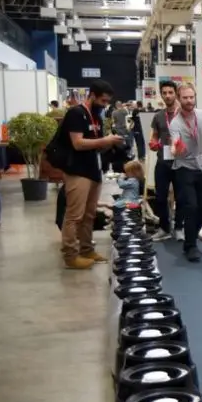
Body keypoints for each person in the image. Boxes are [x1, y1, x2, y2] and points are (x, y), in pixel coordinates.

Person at [58, 79, 121, 269]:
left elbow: (96, 143)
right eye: (103, 101)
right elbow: (77, 143)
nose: (105, 105)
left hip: (93, 169)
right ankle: (70, 255)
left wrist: (111, 143)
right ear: (92, 95)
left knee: (89, 214)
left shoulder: (96, 117)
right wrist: (105, 140)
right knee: (74, 215)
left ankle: (86, 249)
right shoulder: (76, 114)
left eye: (107, 102)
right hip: (77, 171)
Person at [169, 84, 202, 262]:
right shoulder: (175, 123)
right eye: (185, 98)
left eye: (191, 97)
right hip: (184, 169)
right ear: (179, 99)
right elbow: (174, 144)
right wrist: (176, 149)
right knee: (191, 207)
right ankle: (190, 245)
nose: (189, 101)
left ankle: (191, 236)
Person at [148, 81, 183, 242]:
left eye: (170, 92)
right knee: (160, 197)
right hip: (163, 161)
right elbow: (154, 135)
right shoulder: (158, 116)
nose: (167, 96)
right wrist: (153, 142)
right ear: (161, 95)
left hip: (181, 162)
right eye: (164, 93)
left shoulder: (183, 114)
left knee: (181, 197)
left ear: (176, 93)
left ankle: (179, 227)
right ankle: (164, 228)